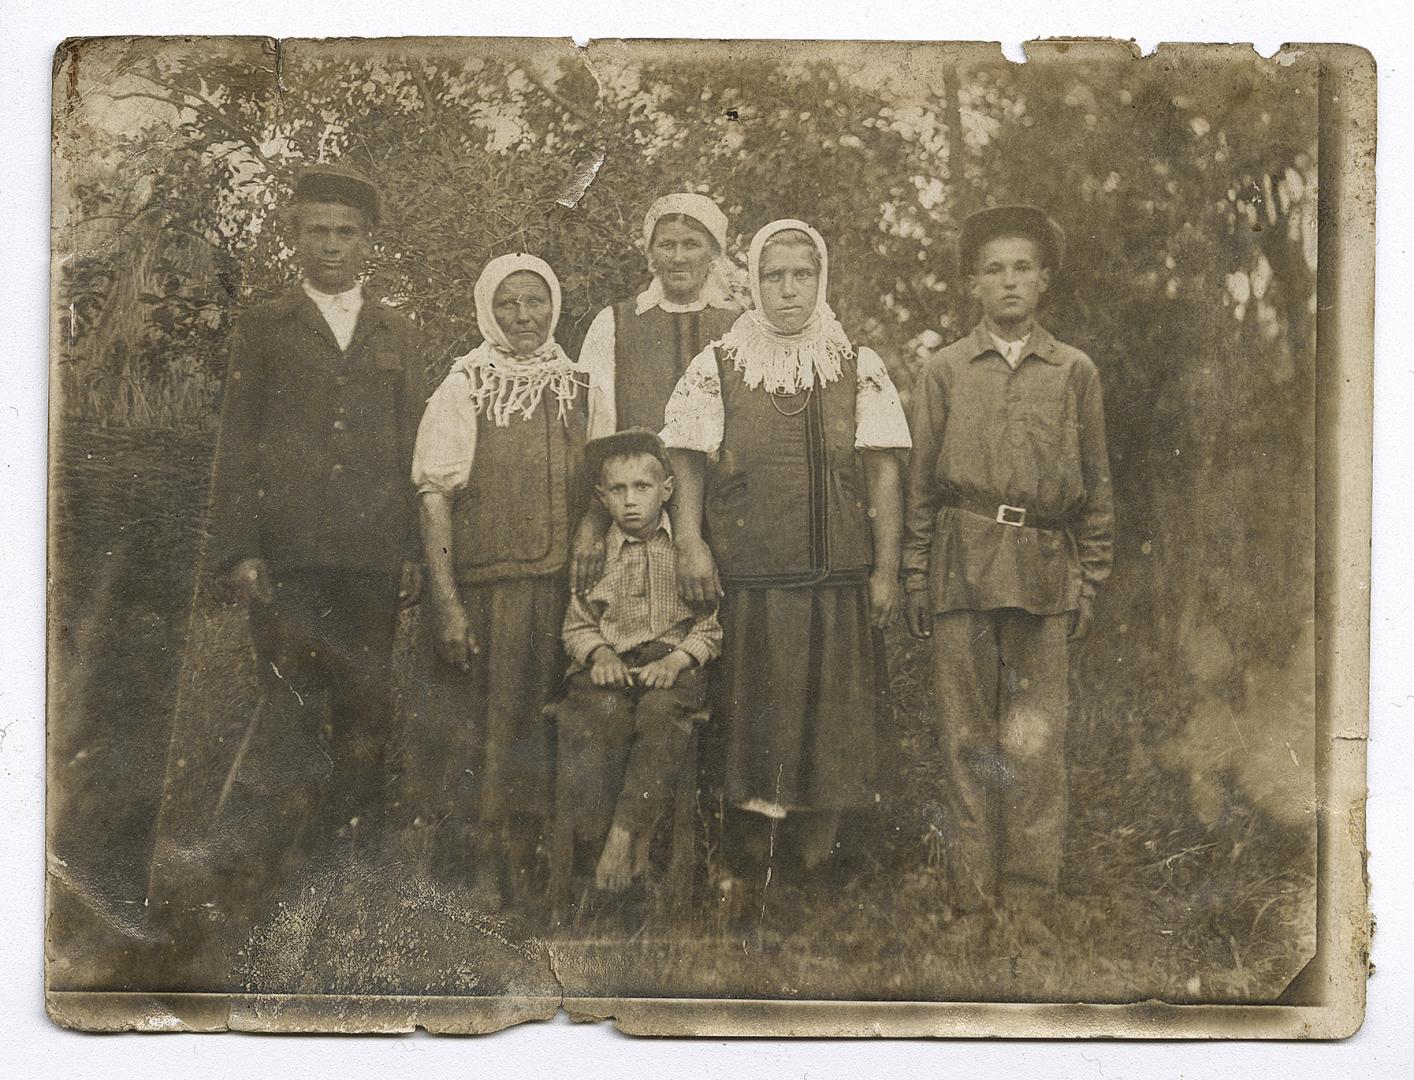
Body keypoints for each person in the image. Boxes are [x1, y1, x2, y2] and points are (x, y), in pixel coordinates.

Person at [660, 219, 912, 899]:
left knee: (832, 723)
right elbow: (684, 460)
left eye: (802, 274)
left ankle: (816, 865)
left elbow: (884, 474)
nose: (789, 289)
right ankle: (747, 862)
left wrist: (886, 571)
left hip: (836, 582)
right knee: (755, 718)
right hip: (751, 583)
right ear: (754, 281)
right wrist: (690, 541)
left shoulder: (857, 364)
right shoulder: (719, 363)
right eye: (775, 275)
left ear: (821, 277)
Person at [205, 163, 426, 870]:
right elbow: (236, 445)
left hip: (371, 556)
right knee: (289, 704)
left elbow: (416, 446)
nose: (332, 244)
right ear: (294, 237)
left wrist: (417, 550)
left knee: (365, 705)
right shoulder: (266, 327)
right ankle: (282, 861)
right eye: (317, 231)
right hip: (288, 557)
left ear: (370, 242)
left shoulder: (399, 332)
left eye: (347, 232)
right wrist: (241, 549)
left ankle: (353, 856)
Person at [901, 204, 1114, 917]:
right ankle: (972, 894)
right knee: (966, 738)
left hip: (1046, 572)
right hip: (961, 570)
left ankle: (1028, 898)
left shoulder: (1074, 371)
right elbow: (922, 485)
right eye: (994, 269)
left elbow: (1097, 488)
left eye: (1023, 266)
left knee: (1035, 743)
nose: (1010, 281)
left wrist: (1089, 578)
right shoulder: (945, 370)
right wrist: (914, 574)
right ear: (973, 284)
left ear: (1045, 279)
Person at [409, 253, 587, 912]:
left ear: (554, 305)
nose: (522, 316)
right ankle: (460, 886)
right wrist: (448, 603)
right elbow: (434, 496)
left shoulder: (577, 385)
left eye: (534, 301)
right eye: (507, 303)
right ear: (488, 309)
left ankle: (532, 884)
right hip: (484, 594)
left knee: (537, 737)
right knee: (472, 733)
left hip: (558, 593)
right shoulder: (466, 385)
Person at [552, 430, 722, 906]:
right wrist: (599, 655)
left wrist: (677, 659)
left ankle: (624, 836)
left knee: (658, 716)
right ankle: (596, 845)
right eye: (618, 490)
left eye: (642, 488)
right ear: (600, 498)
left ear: (666, 490)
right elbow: (576, 625)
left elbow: (710, 629)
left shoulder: (689, 553)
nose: (630, 502)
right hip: (610, 665)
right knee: (598, 716)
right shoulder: (595, 555)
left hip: (671, 664)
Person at [570, 193, 740, 592]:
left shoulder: (740, 327)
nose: (679, 257)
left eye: (692, 244)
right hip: (634, 517)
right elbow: (596, 432)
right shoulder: (615, 324)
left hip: (726, 517)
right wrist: (594, 522)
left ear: (712, 253)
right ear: (651, 254)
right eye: (667, 245)